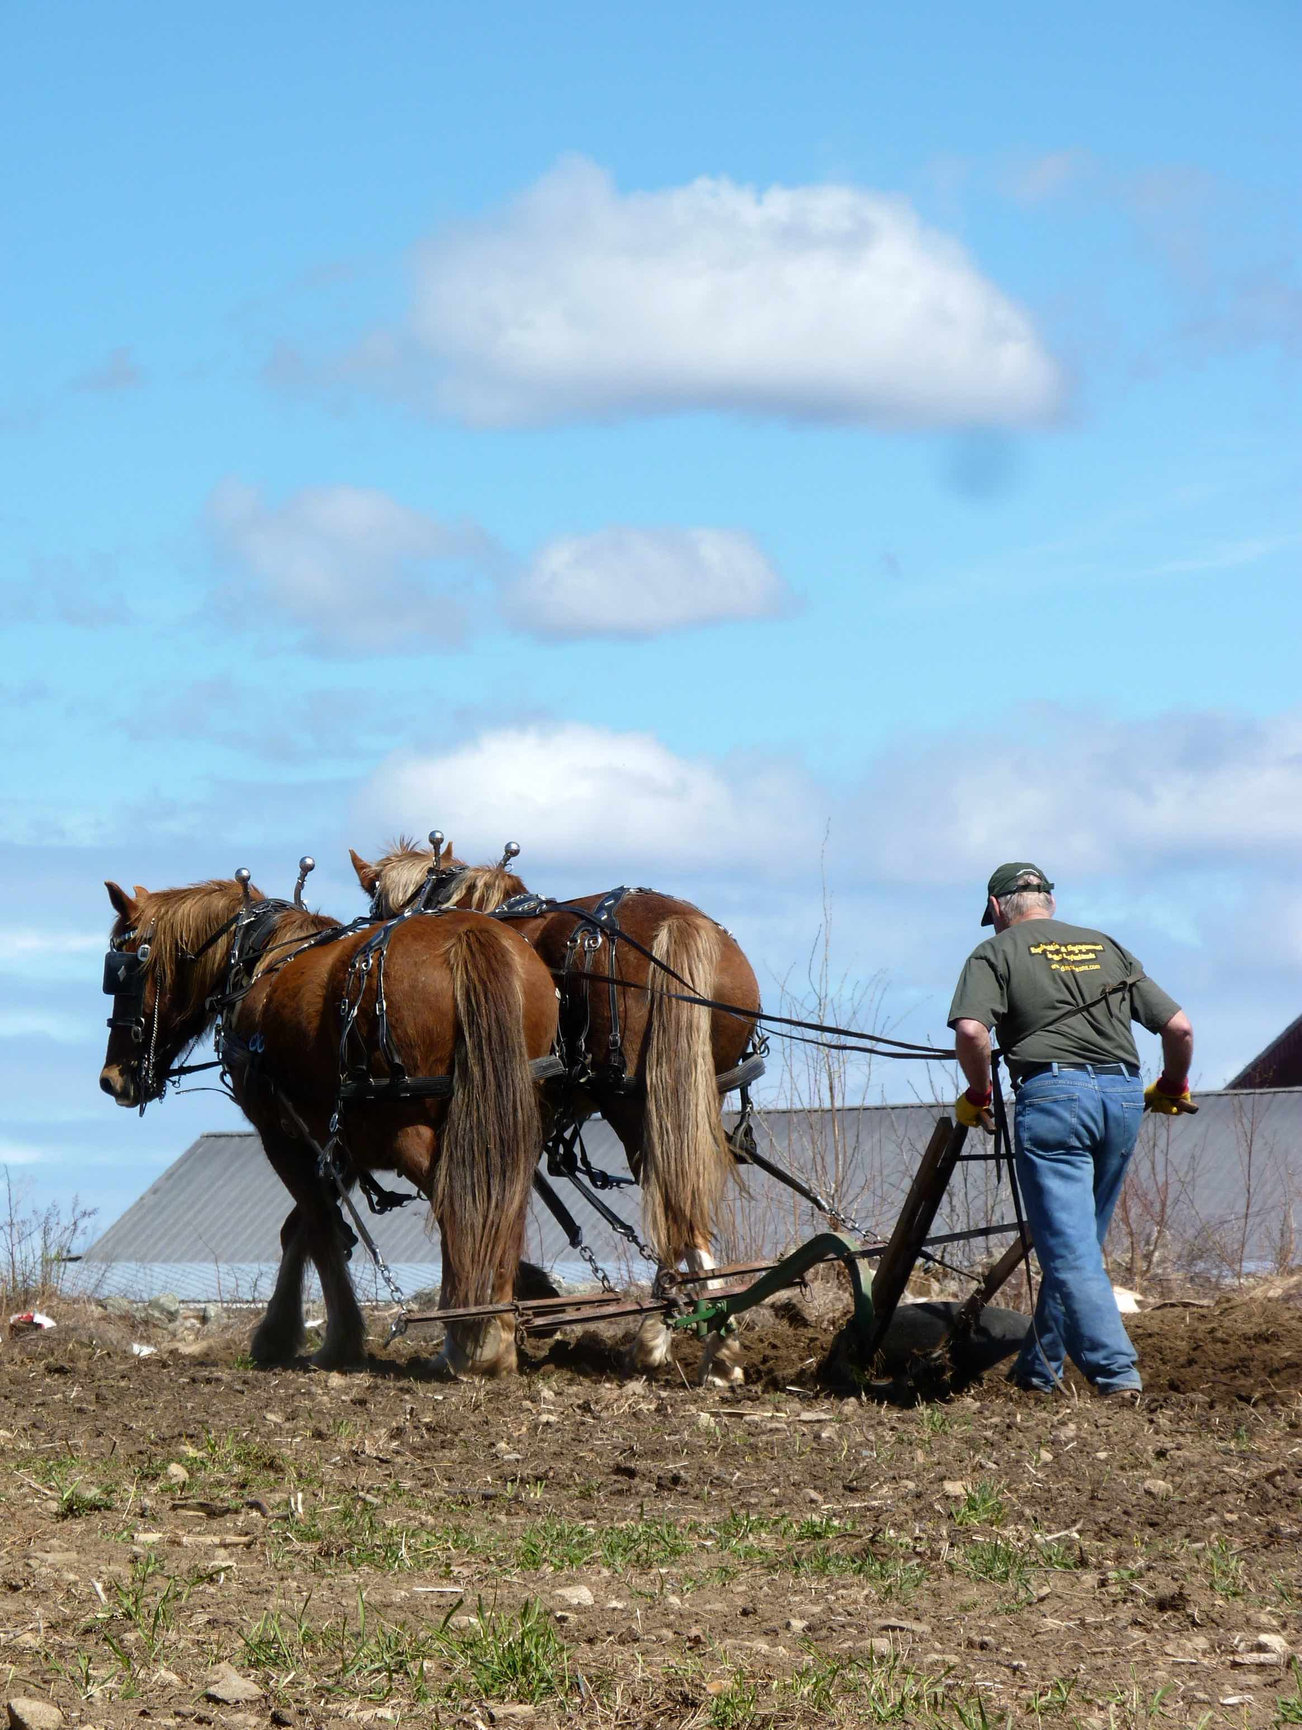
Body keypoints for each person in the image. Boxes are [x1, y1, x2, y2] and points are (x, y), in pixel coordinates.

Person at [947, 863, 1194, 1397]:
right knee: (1079, 1242)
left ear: (995, 909)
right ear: (1049, 903)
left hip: (1056, 1098)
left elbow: (972, 1030)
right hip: (1124, 1098)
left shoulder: (995, 952)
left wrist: (978, 1093)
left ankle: (1115, 1373)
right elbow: (1178, 1026)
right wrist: (1172, 1084)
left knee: (1070, 1250)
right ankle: (1039, 1370)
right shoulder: (1107, 946)